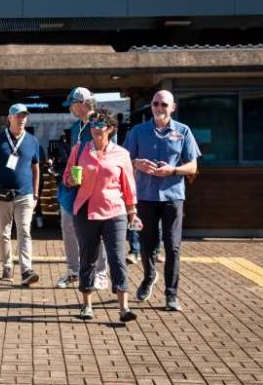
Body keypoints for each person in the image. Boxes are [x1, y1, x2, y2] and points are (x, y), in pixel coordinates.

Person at [123, 89, 201, 312]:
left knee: (172, 246)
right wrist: (136, 163)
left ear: (172, 108)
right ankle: (149, 277)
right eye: (156, 104)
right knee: (146, 244)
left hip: (173, 197)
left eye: (164, 104)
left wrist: (173, 170)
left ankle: (171, 295)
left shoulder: (183, 131)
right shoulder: (138, 131)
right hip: (145, 196)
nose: (159, 108)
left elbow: (193, 167)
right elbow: (124, 160)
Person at [63, 107, 138, 322]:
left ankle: (124, 308)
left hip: (115, 212)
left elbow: (129, 186)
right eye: (93, 124)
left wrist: (132, 211)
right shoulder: (79, 150)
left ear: (111, 129)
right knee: (88, 258)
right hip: (85, 210)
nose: (95, 128)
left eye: (100, 125)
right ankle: (87, 305)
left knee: (117, 258)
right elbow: (66, 177)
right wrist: (71, 180)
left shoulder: (121, 154)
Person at [56, 87, 109, 290]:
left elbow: (107, 154)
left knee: (97, 229)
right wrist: (69, 175)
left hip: (95, 186)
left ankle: (101, 273)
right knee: (68, 226)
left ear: (81, 104)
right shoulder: (75, 127)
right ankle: (73, 270)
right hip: (74, 187)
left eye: (72, 104)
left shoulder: (100, 123)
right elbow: (74, 156)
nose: (70, 108)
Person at [0, 104, 41, 286]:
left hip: (25, 194)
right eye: (18, 116)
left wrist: (35, 193)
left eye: (24, 116)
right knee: (3, 233)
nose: (21, 119)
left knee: (24, 231)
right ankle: (7, 266)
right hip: (2, 193)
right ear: (10, 118)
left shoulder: (32, 140)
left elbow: (36, 168)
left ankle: (26, 270)